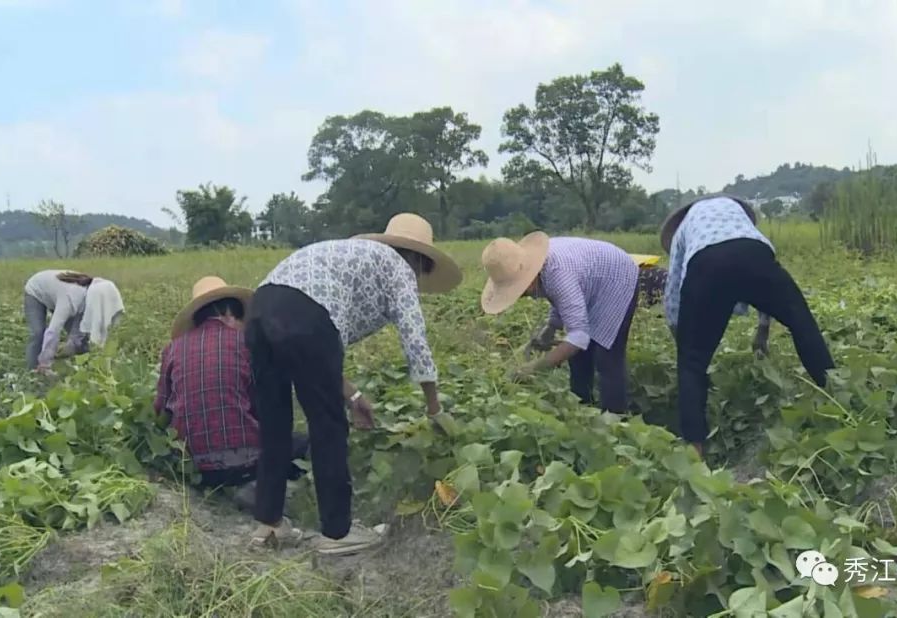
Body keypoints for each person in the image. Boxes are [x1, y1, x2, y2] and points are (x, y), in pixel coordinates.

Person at [244, 213, 462, 556]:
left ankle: (269, 524)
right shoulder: (399, 268)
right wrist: (434, 407)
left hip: (259, 309)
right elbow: (415, 342)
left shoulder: (352, 255)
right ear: (420, 260)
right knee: (327, 426)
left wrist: (353, 395)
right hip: (307, 317)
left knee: (276, 425)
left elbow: (313, 335)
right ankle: (337, 532)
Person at [660, 194, 835, 456]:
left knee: (692, 364)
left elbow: (674, 290)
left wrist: (684, 341)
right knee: (802, 323)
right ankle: (836, 397)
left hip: (706, 264)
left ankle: (694, 454)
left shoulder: (684, 229)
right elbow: (760, 281)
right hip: (754, 253)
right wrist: (763, 329)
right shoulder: (740, 219)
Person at [153, 276, 309, 507]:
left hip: (195, 467)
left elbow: (161, 410)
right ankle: (266, 488)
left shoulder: (173, 349)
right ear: (228, 314)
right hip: (249, 463)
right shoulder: (249, 343)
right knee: (308, 442)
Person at [480, 233, 642, 415]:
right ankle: (583, 410)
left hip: (617, 279)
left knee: (606, 356)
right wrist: (551, 327)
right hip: (592, 281)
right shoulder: (543, 269)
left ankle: (617, 419)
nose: (521, 294)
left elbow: (578, 337)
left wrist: (534, 367)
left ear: (528, 276)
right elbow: (564, 300)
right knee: (578, 356)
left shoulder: (557, 272)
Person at [23, 270, 124, 373]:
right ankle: (35, 370)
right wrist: (46, 362)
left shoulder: (90, 298)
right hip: (36, 291)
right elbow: (53, 331)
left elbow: (78, 334)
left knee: (80, 339)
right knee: (38, 333)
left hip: (56, 293)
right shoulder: (69, 300)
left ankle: (87, 369)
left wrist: (69, 347)